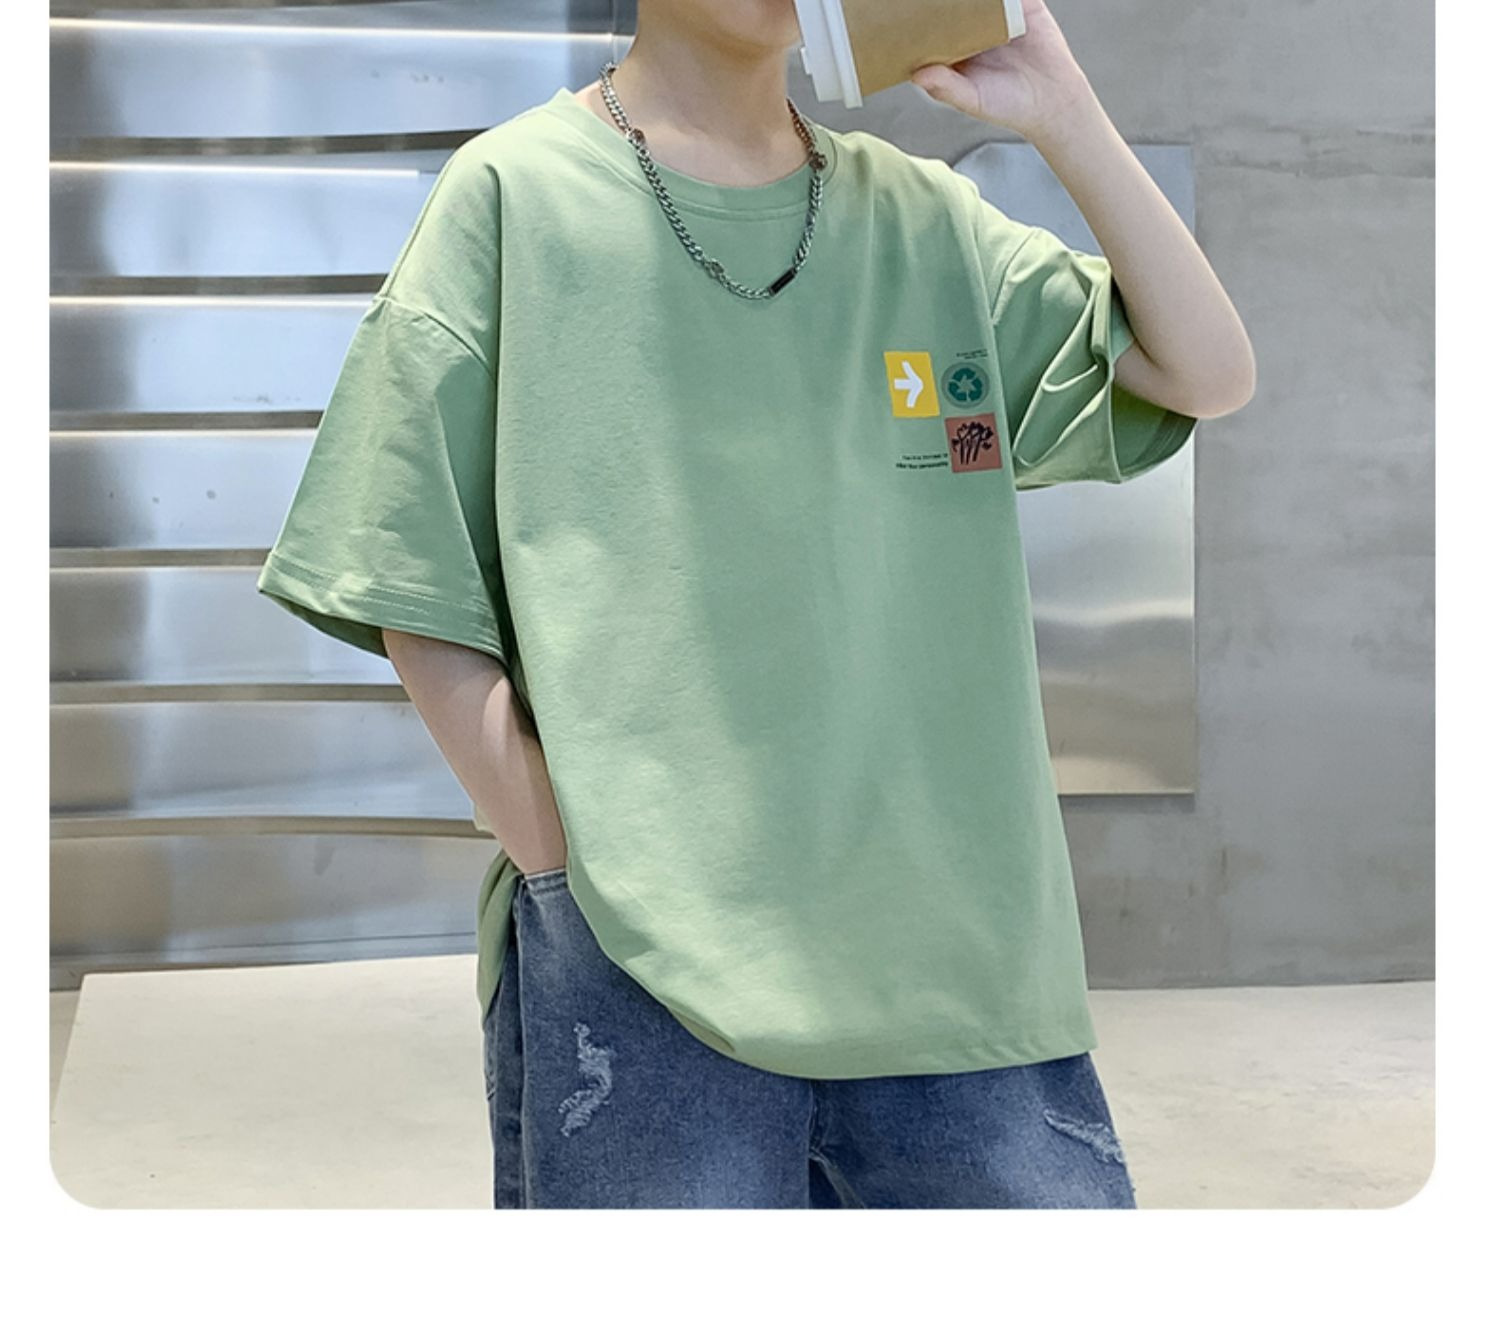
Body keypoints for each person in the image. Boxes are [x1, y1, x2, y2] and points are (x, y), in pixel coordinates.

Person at [256, 0, 1254, 1209]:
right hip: (644, 966)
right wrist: (558, 852)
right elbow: (406, 563)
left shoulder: (926, 220)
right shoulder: (514, 195)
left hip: (959, 963)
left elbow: (1204, 371)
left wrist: (1062, 111)